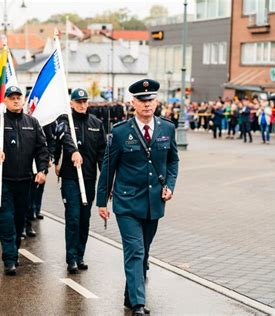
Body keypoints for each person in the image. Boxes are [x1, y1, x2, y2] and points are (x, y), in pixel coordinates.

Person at [96, 79, 179, 316]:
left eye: (150, 99)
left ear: (156, 101)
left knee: (144, 253)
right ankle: (138, 305)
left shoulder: (167, 128)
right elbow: (109, 167)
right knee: (136, 251)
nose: (146, 104)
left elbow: (173, 160)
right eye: (142, 100)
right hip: (127, 202)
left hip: (154, 202)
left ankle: (129, 295)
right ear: (133, 102)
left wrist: (170, 186)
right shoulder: (120, 132)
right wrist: (102, 202)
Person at [0, 85, 48, 276]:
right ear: (5, 101)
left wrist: (42, 169)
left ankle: (14, 248)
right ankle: (10, 258)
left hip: (25, 180)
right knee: (5, 219)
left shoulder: (32, 122)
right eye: (11, 97)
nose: (15, 100)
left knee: (20, 219)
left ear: (23, 100)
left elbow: (41, 148)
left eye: (18, 97)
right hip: (3, 180)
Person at [54, 88, 106, 274]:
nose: (82, 105)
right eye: (79, 101)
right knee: (73, 218)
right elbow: (63, 136)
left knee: (85, 219)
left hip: (89, 178)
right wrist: (73, 151)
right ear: (72, 103)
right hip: (70, 178)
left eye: (85, 101)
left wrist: (106, 179)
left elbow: (102, 153)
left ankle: (80, 255)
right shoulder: (64, 120)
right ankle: (71, 258)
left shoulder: (97, 123)